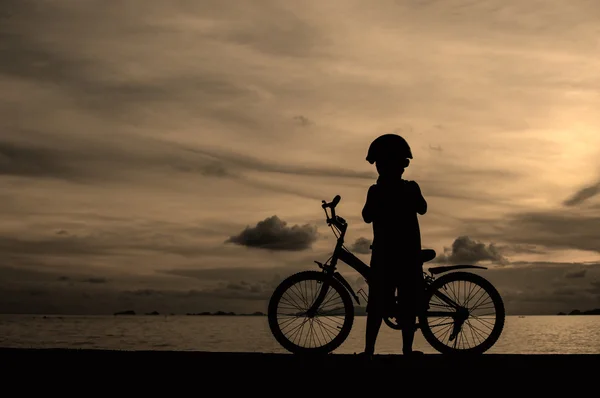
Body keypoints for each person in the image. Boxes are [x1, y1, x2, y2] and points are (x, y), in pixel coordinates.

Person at [361, 133, 428, 358]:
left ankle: (370, 351)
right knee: (404, 304)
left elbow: (367, 216)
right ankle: (405, 351)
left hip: (386, 255)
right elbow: (422, 208)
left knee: (378, 305)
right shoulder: (408, 188)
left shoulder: (378, 191)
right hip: (404, 255)